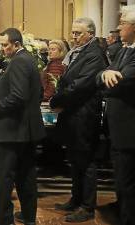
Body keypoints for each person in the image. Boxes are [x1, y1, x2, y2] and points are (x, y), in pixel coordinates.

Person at [0, 28, 45, 225]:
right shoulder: (28, 60)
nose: (2, 49)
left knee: (3, 178)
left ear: (16, 44)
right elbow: (38, 92)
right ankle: (28, 217)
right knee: (25, 176)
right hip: (24, 130)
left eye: (5, 45)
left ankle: (3, 220)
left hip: (11, 130)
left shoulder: (18, 62)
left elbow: (18, 96)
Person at [50, 17, 107, 223]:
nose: (73, 36)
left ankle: (87, 206)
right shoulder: (79, 52)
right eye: (72, 32)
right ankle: (76, 199)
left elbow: (81, 85)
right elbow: (68, 81)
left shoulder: (94, 54)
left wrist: (57, 98)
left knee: (86, 160)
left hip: (84, 114)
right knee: (75, 159)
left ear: (90, 34)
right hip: (73, 113)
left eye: (78, 33)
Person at [96, 5, 135, 225]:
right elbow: (100, 78)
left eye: (122, 23)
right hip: (118, 130)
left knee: (128, 182)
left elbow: (122, 81)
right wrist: (106, 73)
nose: (118, 27)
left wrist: (108, 76)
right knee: (121, 180)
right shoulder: (124, 49)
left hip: (129, 130)